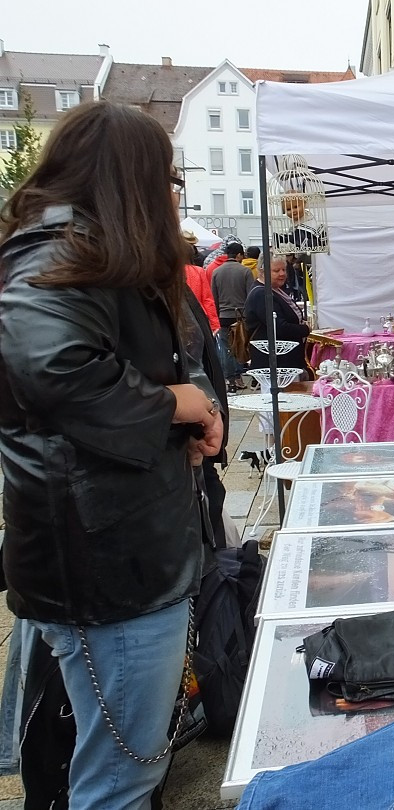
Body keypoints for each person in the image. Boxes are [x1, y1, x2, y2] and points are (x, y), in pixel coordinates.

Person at [0, 100, 224, 810]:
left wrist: (182, 424)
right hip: (108, 574)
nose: (171, 195)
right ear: (130, 180)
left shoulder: (94, 256)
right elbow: (56, 368)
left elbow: (105, 375)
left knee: (121, 768)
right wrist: (177, 407)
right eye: (166, 179)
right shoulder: (60, 254)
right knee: (119, 781)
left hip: (120, 554)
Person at [244, 255, 311, 375]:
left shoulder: (275, 289)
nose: (282, 274)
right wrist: (305, 329)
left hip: (285, 358)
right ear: (262, 271)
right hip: (274, 361)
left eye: (284, 270)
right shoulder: (261, 294)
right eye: (276, 270)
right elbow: (279, 327)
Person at [211, 241, 255, 392]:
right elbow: (251, 296)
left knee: (226, 348)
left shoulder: (217, 272)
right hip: (241, 316)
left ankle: (230, 380)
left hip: (223, 316)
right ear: (238, 255)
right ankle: (238, 376)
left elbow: (214, 298)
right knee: (241, 345)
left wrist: (217, 316)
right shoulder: (245, 271)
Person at [183, 229, 220, 334]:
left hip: (178, 320)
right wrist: (214, 325)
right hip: (198, 318)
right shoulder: (198, 271)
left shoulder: (170, 272)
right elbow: (207, 300)